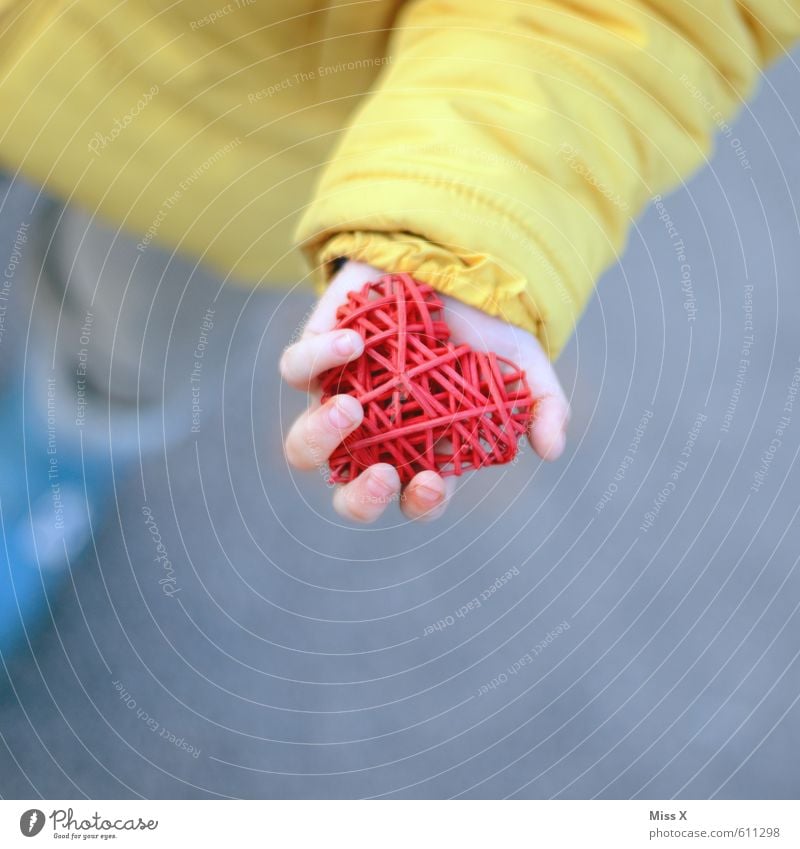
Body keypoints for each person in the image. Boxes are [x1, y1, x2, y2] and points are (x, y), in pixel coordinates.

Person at [0, 1, 797, 654]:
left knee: (124, 343)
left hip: (224, 134)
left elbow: (644, 19)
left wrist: (454, 239)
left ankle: (55, 464)